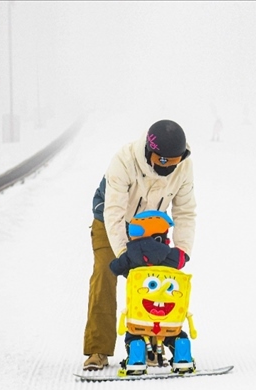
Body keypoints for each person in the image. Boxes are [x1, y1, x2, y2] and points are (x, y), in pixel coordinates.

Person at [82, 119, 196, 371]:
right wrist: (125, 253)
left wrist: (182, 251)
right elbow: (113, 211)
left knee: (159, 280)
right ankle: (98, 349)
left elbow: (185, 211)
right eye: (161, 160)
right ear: (149, 150)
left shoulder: (184, 166)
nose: (166, 167)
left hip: (151, 226)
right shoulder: (124, 160)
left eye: (173, 162)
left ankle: (154, 345)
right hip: (111, 221)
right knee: (105, 273)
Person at [109, 210, 193, 373]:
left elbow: (114, 267)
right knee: (175, 334)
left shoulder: (130, 255)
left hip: (140, 315)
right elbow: (183, 259)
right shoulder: (171, 256)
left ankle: (136, 359)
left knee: (134, 334)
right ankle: (183, 359)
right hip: (169, 316)